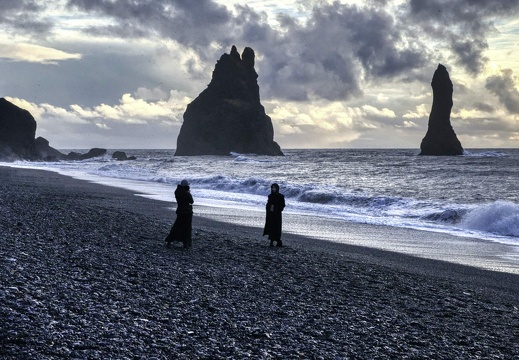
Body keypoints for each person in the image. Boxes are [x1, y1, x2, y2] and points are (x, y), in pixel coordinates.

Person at [165, 179, 194, 248]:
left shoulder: (177, 191)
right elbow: (191, 201)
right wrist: (189, 193)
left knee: (177, 226)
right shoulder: (186, 193)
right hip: (187, 212)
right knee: (187, 228)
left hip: (180, 211)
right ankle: (186, 243)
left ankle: (170, 240)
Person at [263, 183, 285, 247]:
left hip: (277, 214)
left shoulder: (281, 196)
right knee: (271, 227)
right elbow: (268, 204)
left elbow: (282, 205)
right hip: (270, 213)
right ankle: (271, 242)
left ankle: (278, 241)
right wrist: (268, 209)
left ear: (277, 188)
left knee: (276, 228)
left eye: (274, 188)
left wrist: (278, 210)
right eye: (272, 188)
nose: (273, 189)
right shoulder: (270, 196)